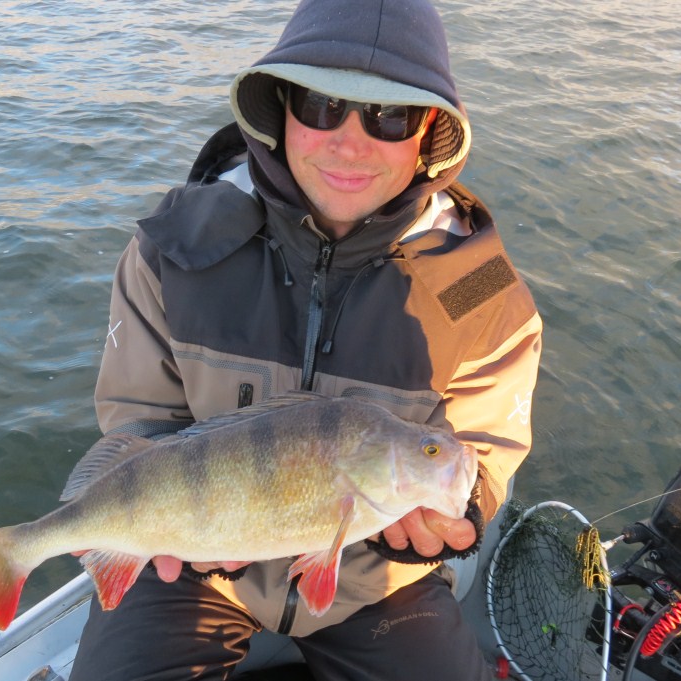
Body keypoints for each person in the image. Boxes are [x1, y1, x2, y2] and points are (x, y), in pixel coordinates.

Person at [70, 0, 542, 679]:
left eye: (389, 116)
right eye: (322, 105)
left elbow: (484, 448)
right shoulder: (175, 248)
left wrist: (460, 512)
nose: (349, 143)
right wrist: (183, 525)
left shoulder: (480, 287)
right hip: (192, 564)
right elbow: (138, 418)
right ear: (282, 108)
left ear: (430, 131)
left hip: (373, 580)